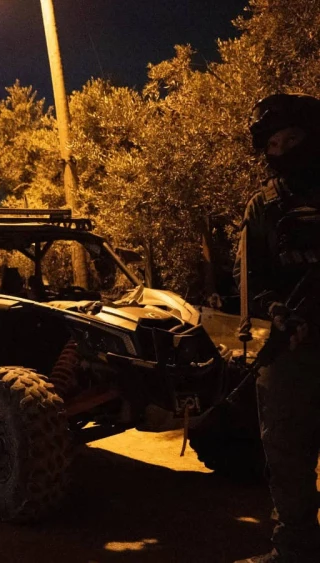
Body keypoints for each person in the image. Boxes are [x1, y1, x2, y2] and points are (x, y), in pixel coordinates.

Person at [236, 93, 320, 563]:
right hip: (291, 350)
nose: (284, 151)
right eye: (275, 143)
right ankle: (296, 550)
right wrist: (277, 312)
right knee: (286, 452)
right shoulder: (263, 207)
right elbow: (251, 279)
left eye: (293, 139)